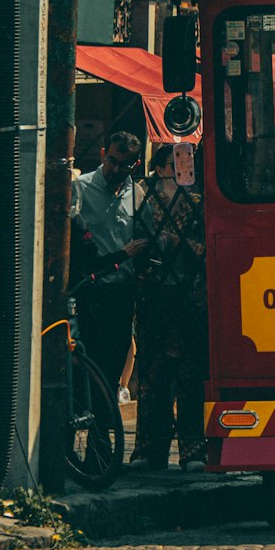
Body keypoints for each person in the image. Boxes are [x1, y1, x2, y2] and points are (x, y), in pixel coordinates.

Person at [131, 144, 209, 472]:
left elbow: (208, 246)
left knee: (190, 376)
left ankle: (192, 450)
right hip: (156, 298)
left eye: (186, 163)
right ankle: (151, 449)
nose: (179, 170)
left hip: (189, 298)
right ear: (161, 167)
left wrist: (181, 243)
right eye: (173, 164)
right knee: (153, 375)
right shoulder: (143, 198)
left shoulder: (201, 201)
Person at [70, 132, 147, 398]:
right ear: (103, 154)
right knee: (90, 365)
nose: (115, 169)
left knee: (114, 364)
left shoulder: (135, 194)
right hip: (91, 291)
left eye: (123, 164)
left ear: (134, 165)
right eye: (111, 160)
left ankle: (100, 434)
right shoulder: (80, 188)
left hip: (122, 292)